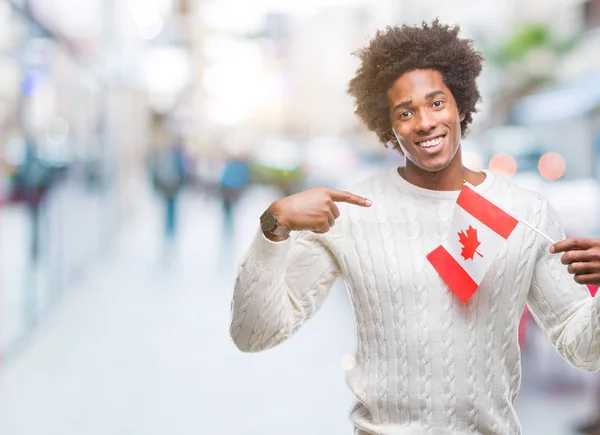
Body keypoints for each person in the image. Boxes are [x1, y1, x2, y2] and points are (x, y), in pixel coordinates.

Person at [229, 20, 600, 434]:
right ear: (389, 126)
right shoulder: (351, 213)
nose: (424, 122)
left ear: (460, 105)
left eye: (436, 103)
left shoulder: (525, 211)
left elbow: (584, 350)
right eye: (405, 112)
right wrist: (274, 224)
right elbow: (253, 334)